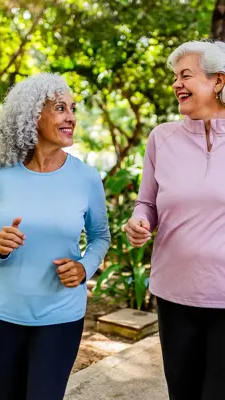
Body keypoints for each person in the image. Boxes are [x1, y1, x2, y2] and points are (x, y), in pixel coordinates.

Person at [0, 73, 110, 400]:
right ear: (32, 115)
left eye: (72, 109)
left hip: (60, 318)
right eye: (60, 108)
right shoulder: (1, 174)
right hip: (2, 316)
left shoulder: (86, 177)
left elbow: (100, 237)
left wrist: (84, 268)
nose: (71, 117)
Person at [124, 40, 225, 400]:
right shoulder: (161, 138)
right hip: (174, 296)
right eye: (174, 77)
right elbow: (146, 203)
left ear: (218, 81)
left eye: (186, 76)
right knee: (182, 393)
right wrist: (139, 222)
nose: (176, 84)